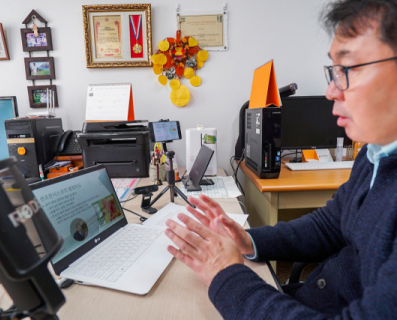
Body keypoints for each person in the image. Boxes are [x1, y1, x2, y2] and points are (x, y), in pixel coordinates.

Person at [164, 0, 397, 318]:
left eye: (348, 69)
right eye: (333, 70)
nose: (330, 91)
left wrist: (226, 274)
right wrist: (247, 239)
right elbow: (330, 225)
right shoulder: (374, 155)